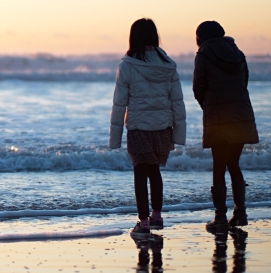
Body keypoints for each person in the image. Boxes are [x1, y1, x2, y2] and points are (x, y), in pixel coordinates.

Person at [109, 18, 186, 236]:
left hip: (139, 127)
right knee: (155, 171)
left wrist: (115, 139)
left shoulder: (128, 65)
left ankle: (143, 222)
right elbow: (177, 101)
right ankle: (157, 217)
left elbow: (119, 103)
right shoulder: (167, 64)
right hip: (163, 128)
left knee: (140, 174)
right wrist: (178, 134)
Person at [192, 21, 259, 232]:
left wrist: (209, 108)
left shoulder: (203, 55)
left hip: (218, 118)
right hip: (241, 115)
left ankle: (220, 216)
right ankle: (240, 213)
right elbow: (243, 83)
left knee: (219, 166)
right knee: (234, 163)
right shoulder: (238, 54)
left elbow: (198, 87)